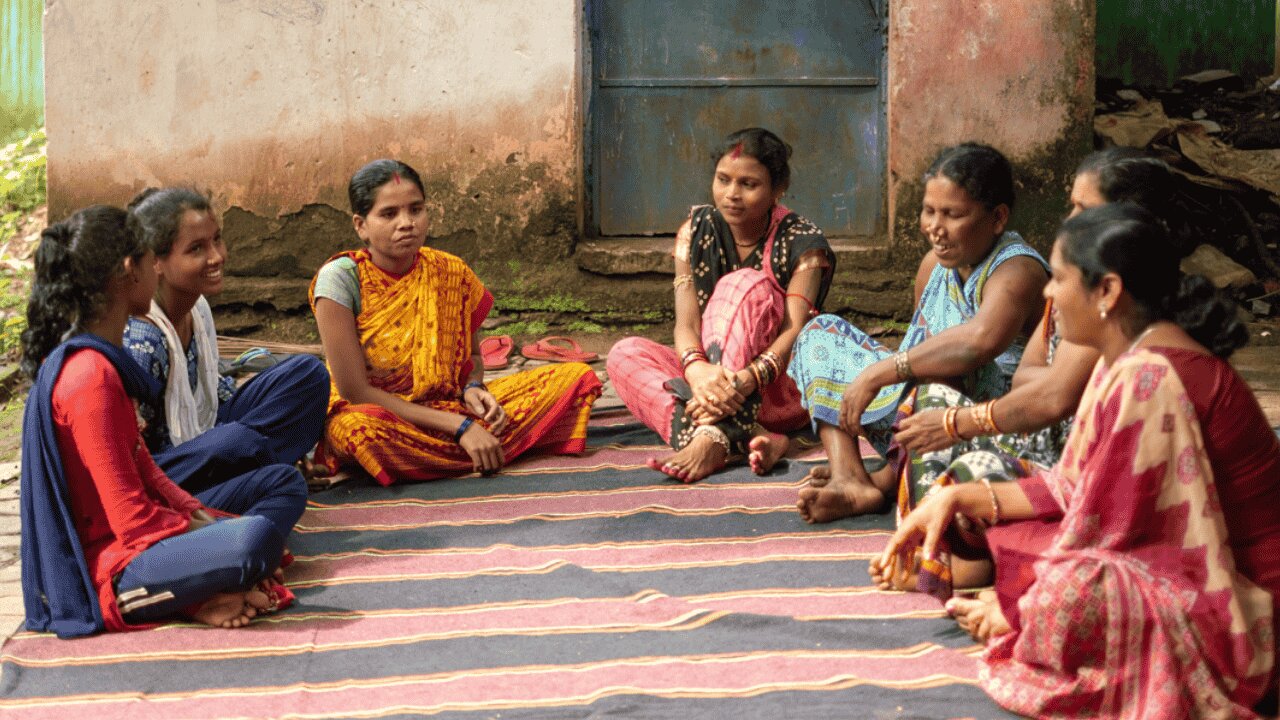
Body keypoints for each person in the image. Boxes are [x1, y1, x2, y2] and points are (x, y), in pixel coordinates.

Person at [882, 203, 1280, 717]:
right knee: (1019, 539)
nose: (1048, 293)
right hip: (1177, 561)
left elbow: (1130, 546)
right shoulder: (1129, 360)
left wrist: (1017, 609)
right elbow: (1077, 488)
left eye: (1060, 279)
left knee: (1068, 589)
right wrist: (954, 497)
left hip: (1244, 598)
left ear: (1108, 292)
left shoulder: (1150, 377)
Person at [874, 148, 1183, 593]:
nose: (1070, 218)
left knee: (969, 472)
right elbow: (1029, 379)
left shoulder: (1120, 301)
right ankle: (936, 543)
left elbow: (1054, 398)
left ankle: (957, 559)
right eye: (1071, 205)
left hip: (1078, 464)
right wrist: (1055, 382)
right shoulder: (1076, 285)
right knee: (929, 400)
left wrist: (962, 423)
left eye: (1085, 208)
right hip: (1032, 434)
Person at [19, 206, 307, 637]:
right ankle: (194, 596)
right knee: (254, 541)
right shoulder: (88, 378)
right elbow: (131, 521)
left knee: (258, 522)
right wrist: (204, 532)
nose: (158, 269)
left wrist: (199, 516)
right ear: (127, 271)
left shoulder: (104, 365)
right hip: (113, 565)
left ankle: (207, 585)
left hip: (141, 539)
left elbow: (146, 470)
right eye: (150, 259)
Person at [787, 143, 1048, 522]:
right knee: (818, 333)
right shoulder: (934, 266)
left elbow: (977, 342)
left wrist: (879, 372)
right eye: (929, 211)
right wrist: (883, 374)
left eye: (953, 214)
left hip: (986, 424)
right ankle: (850, 477)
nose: (934, 228)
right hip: (916, 419)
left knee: (946, 365)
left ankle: (889, 479)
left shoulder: (1016, 270)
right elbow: (919, 345)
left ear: (997, 218)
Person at [310, 159, 602, 485]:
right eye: (389, 214)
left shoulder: (450, 272)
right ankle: (482, 448)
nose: (406, 223)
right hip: (384, 416)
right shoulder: (340, 280)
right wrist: (461, 427)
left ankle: (446, 456)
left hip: (449, 405)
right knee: (359, 432)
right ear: (360, 225)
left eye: (416, 209)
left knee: (576, 378)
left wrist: (474, 388)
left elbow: (474, 360)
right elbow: (356, 392)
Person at [607, 128, 835, 482]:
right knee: (624, 353)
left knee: (744, 283)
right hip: (711, 383)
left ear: (777, 190)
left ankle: (713, 437)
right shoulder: (695, 231)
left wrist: (742, 380)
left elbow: (795, 332)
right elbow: (686, 326)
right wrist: (698, 372)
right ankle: (753, 436)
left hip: (776, 388)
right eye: (723, 179)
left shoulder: (802, 243)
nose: (732, 194)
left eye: (749, 184)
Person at [123, 188, 329, 492]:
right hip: (167, 473)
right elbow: (128, 451)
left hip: (207, 437)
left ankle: (259, 469)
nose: (216, 257)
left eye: (216, 240)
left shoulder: (197, 307)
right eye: (196, 249)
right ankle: (258, 474)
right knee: (239, 443)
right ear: (156, 261)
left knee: (306, 375)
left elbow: (215, 394)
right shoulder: (143, 338)